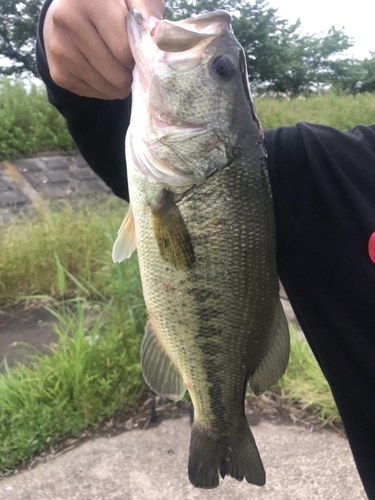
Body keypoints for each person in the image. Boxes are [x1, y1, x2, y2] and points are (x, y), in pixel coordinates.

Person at [36, 0, 375, 497]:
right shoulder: (330, 171)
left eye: (221, 71)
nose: (220, 58)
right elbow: (114, 142)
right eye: (225, 72)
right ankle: (220, 421)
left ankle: (219, 422)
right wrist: (69, 42)